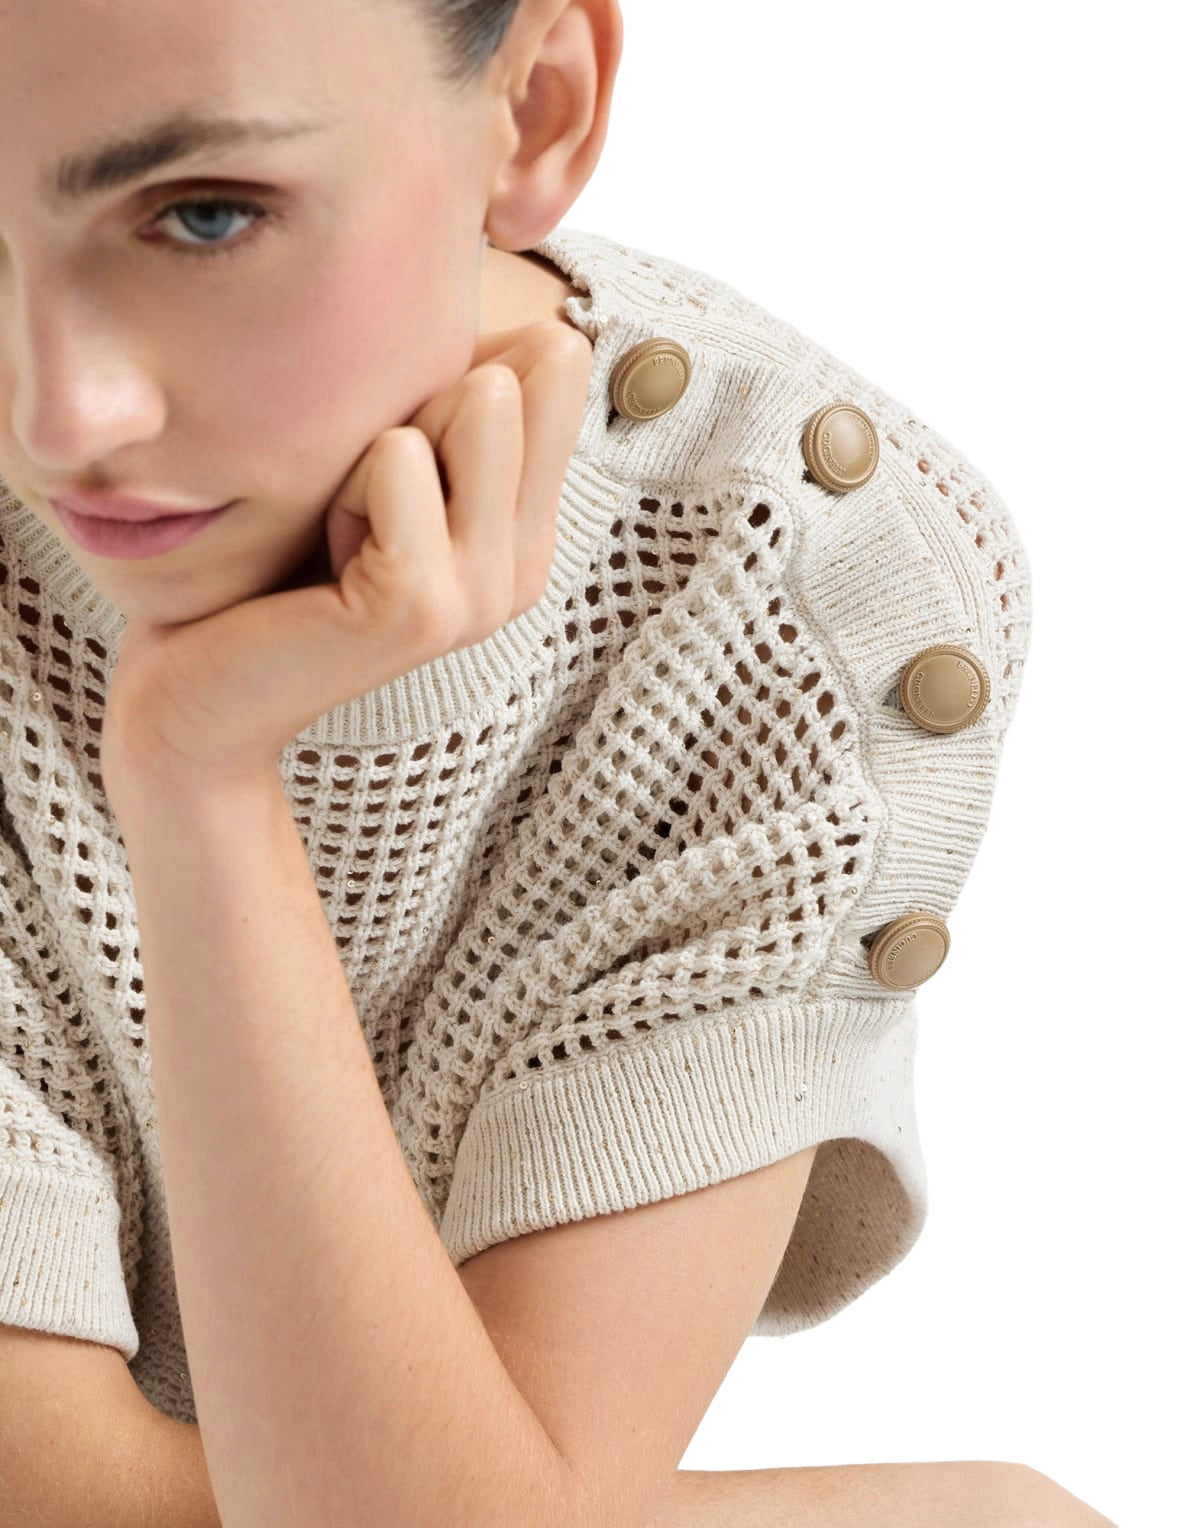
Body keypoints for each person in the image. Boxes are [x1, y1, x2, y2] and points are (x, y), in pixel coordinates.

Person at [0, 2, 1115, 1524]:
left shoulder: (782, 583)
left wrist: (202, 776)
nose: (65, 415)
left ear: (536, 110)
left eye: (204, 214)